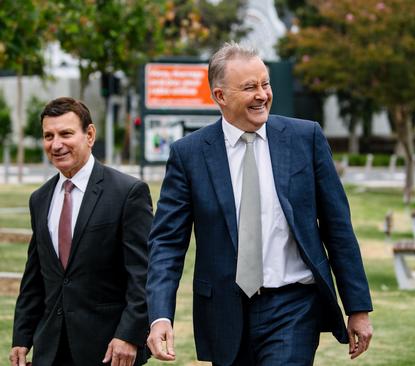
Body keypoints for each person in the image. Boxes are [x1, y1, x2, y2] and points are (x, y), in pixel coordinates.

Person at [146, 42, 373, 366]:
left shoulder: (304, 138)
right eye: (250, 87)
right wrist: (160, 316)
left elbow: (337, 227)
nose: (262, 95)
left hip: (293, 306)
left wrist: (358, 307)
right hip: (224, 309)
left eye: (265, 84)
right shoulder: (190, 154)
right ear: (220, 96)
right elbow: (167, 242)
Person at [9, 97, 153, 366]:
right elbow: (35, 277)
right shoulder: (39, 199)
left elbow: (143, 274)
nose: (56, 144)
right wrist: (21, 337)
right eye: (48, 136)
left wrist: (130, 335)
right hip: (51, 349)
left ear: (89, 134)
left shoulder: (128, 193)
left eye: (66, 134)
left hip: (110, 350)